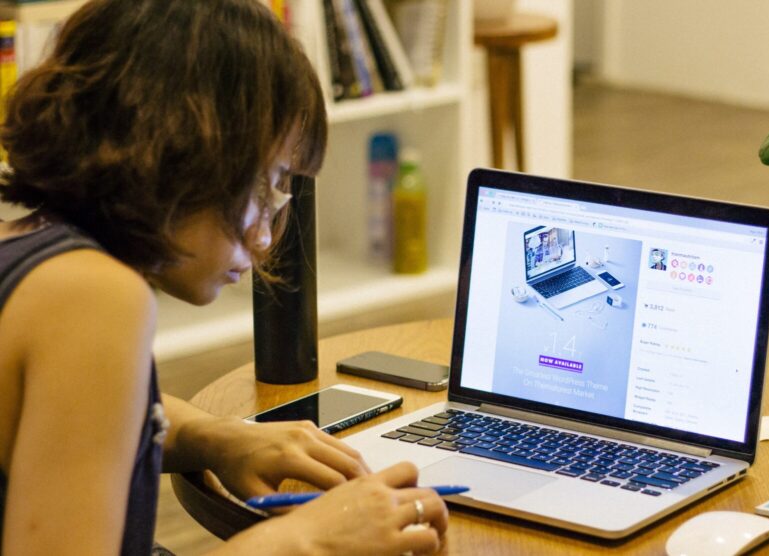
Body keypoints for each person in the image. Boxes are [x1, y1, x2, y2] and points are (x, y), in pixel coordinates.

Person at [0, 1, 447, 554]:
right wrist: (306, 539)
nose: (265, 237)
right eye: (267, 186)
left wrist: (210, 435)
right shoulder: (96, 297)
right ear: (188, 152)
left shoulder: (24, 248)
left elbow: (66, 430)